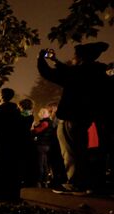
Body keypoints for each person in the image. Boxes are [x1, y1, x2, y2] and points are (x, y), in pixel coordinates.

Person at [38, 42, 110, 195]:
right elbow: (70, 71)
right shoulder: (96, 73)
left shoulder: (78, 73)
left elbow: (50, 74)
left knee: (71, 152)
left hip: (70, 117)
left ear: (81, 58)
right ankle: (86, 183)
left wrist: (41, 59)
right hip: (85, 117)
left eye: (75, 56)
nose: (72, 59)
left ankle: (76, 183)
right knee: (81, 151)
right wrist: (56, 61)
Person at [0, 88, 26, 199]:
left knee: (2, 168)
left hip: (2, 142)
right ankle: (14, 193)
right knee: (13, 168)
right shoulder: (16, 110)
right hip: (14, 143)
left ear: (2, 96)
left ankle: (3, 193)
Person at [32, 108, 55, 187]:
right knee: (45, 164)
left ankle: (39, 181)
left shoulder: (45, 123)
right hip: (46, 145)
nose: (39, 114)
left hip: (42, 145)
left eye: (41, 113)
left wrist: (32, 128)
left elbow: (37, 131)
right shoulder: (49, 122)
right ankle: (46, 181)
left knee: (40, 164)